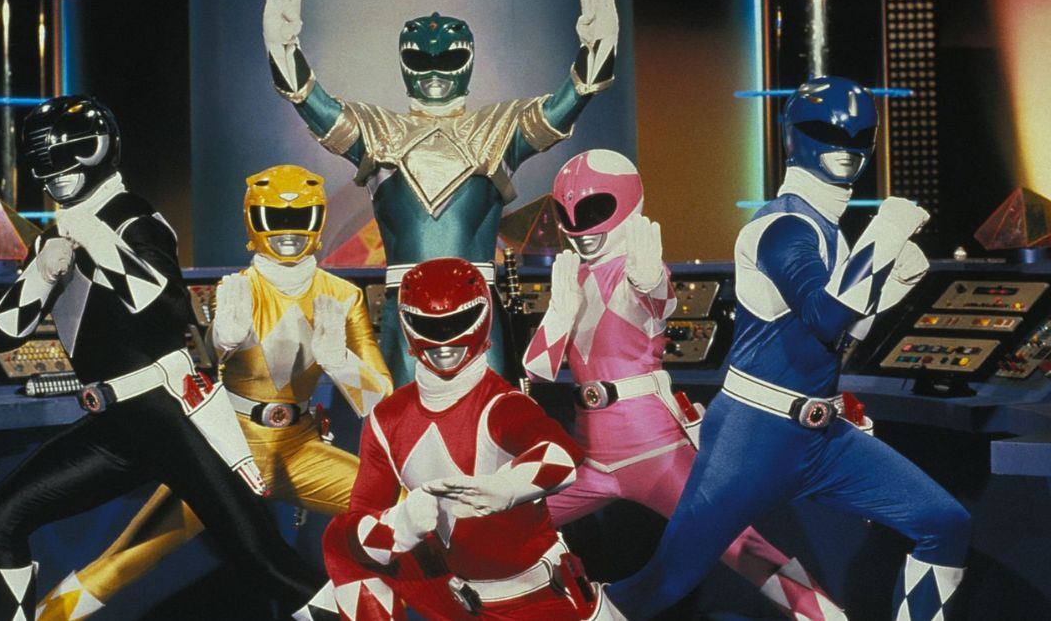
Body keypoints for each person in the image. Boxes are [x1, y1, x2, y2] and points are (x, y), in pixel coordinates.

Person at [607, 77, 971, 621]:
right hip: (753, 438)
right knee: (662, 584)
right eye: (828, 131)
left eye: (859, 135)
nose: (846, 146)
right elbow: (825, 316)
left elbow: (838, 338)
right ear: (794, 136)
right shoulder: (782, 227)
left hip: (821, 437)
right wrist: (887, 230)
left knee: (944, 523)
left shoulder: (830, 231)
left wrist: (890, 285)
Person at [0, 97, 319, 621]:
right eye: (44, 158)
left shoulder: (133, 218)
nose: (57, 169)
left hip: (173, 415)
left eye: (70, 153)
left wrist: (96, 240)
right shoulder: (57, 234)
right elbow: (3, 334)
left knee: (266, 563)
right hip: (118, 425)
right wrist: (42, 273)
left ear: (100, 149)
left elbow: (169, 306)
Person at [34, 164, 392, 620]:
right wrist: (225, 339)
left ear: (317, 220)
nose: (288, 233)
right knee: (122, 562)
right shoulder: (237, 289)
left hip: (298, 450)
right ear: (254, 222)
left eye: (299, 218)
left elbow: (382, 403)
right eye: (275, 219)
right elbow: (216, 347)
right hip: (224, 448)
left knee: (406, 512)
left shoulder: (343, 296)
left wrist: (341, 363)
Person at [524, 149, 845, 620]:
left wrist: (651, 282)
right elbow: (538, 369)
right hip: (591, 455)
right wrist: (559, 311)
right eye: (566, 213)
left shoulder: (637, 268)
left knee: (740, 545)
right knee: (503, 526)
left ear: (626, 203)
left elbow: (657, 302)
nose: (580, 227)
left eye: (592, 210)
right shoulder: (571, 275)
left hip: (655, 450)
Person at [263, 0, 618, 385]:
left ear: (468, 60)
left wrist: (597, 51)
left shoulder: (498, 127)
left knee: (492, 419)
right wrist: (283, 50)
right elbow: (312, 103)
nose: (434, 72)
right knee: (402, 419)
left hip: (479, 310)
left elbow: (561, 108)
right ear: (404, 63)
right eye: (421, 60)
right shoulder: (378, 130)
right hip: (405, 312)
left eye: (447, 60)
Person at [320, 258, 625, 620]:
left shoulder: (501, 404)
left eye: (457, 323)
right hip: (457, 596)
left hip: (538, 599)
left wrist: (506, 487)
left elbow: (561, 454)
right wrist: (399, 525)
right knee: (341, 541)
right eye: (429, 325)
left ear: (482, 318)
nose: (444, 342)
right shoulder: (387, 420)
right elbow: (356, 524)